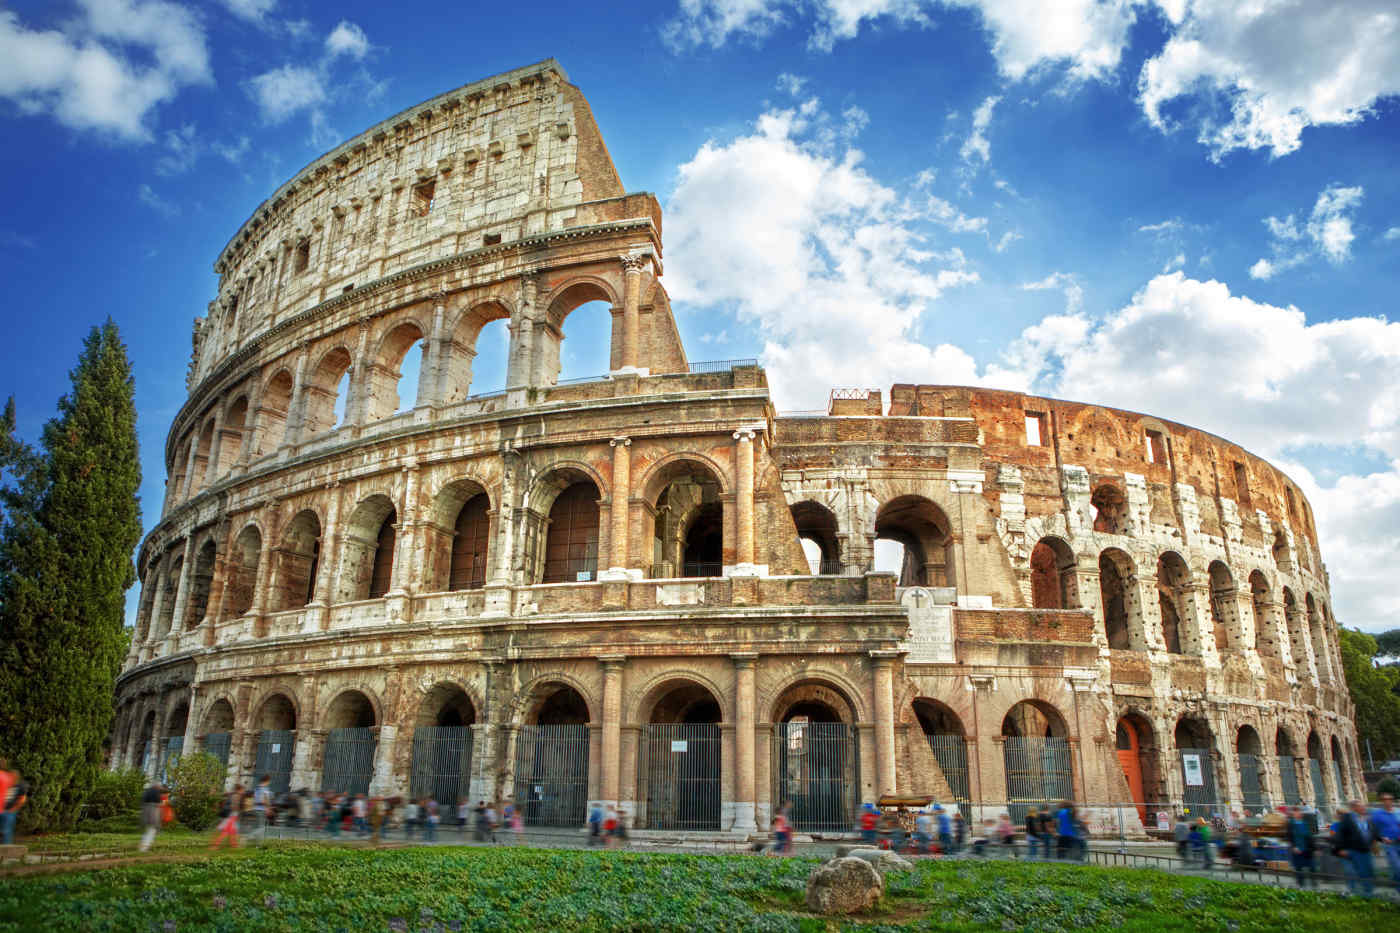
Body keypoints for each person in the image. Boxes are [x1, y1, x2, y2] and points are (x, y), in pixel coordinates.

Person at [1335, 799, 1376, 897]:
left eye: (1363, 806)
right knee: (1356, 871)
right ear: (1354, 808)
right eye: (1360, 806)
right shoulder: (1347, 819)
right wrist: (1340, 849)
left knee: (1368, 870)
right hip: (1354, 849)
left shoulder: (1368, 818)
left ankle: (1368, 892)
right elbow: (1340, 834)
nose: (1363, 808)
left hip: (1366, 849)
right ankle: (1358, 892)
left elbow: (1372, 831)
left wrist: (1375, 843)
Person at [1371, 792, 1400, 889]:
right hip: (1389, 844)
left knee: (1396, 868)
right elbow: (1373, 829)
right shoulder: (1377, 814)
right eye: (1385, 800)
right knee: (1397, 867)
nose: (1387, 801)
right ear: (1381, 801)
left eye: (1389, 799)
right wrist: (1381, 839)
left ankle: (1394, 881)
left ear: (1392, 800)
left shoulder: (1398, 811)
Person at [1287, 806, 1318, 888]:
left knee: (1312, 867)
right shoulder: (1290, 824)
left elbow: (1310, 836)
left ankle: (1314, 883)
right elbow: (1289, 837)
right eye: (1295, 812)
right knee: (1299, 868)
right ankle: (1301, 885)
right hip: (1297, 850)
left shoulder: (1305, 823)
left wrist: (1314, 848)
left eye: (1299, 812)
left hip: (1307, 849)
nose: (1298, 814)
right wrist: (1294, 847)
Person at [210, 785, 244, 850]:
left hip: (232, 815)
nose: (243, 791)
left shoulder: (232, 795)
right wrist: (238, 813)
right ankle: (215, 845)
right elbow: (234, 807)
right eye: (242, 790)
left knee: (233, 831)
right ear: (239, 790)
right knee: (225, 832)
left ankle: (234, 845)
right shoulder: (236, 796)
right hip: (232, 816)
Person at [0, 770, 27, 846]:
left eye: (13, 776)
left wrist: (14, 808)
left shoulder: (20, 786)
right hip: (2, 809)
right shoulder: (7, 784)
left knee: (6, 830)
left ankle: (7, 848)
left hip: (10, 812)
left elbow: (22, 799)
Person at [139, 782, 166, 852]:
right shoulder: (156, 792)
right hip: (153, 811)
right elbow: (158, 803)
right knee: (152, 829)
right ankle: (144, 847)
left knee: (149, 829)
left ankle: (144, 845)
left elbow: (143, 801)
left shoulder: (147, 791)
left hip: (145, 811)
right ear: (157, 786)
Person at [250, 775, 272, 844]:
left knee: (256, 827)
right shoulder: (265, 789)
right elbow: (265, 800)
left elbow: (253, 799)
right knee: (261, 828)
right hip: (261, 809)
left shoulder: (256, 788)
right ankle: (249, 837)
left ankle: (256, 843)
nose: (269, 782)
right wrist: (268, 809)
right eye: (269, 781)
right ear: (267, 780)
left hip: (255, 808)